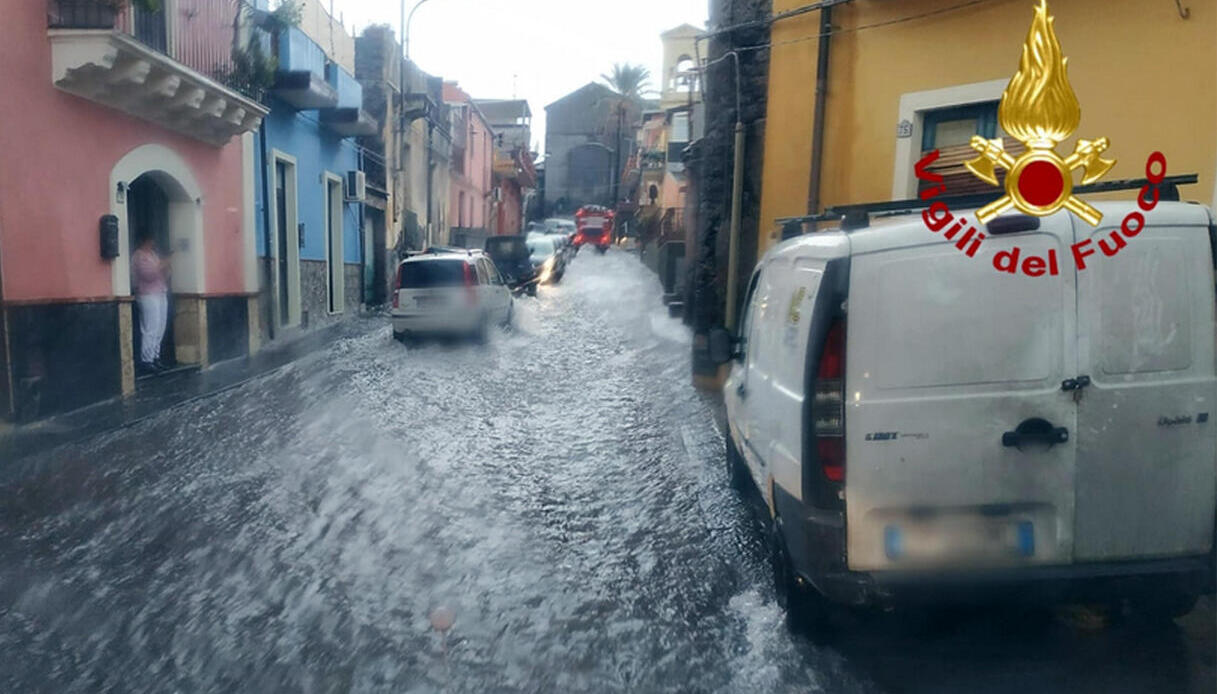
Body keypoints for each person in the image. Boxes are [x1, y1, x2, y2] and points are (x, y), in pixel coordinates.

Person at [132, 237, 170, 373]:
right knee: (150, 327)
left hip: (160, 291)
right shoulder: (139, 256)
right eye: (150, 240)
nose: (153, 243)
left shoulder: (153, 255)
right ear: (144, 240)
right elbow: (148, 275)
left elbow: (161, 274)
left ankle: (155, 357)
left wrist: (166, 268)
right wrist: (163, 264)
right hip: (147, 294)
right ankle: (146, 360)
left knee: (160, 326)